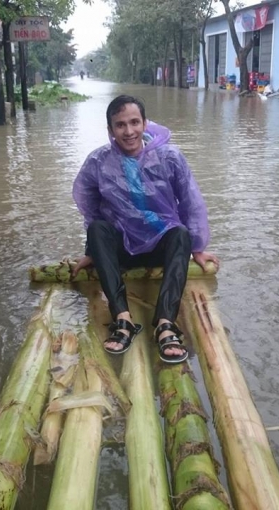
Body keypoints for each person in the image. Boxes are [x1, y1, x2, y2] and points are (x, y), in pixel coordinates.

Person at [72, 95, 219, 364]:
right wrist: (92, 251)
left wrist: (197, 247)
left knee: (181, 233)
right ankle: (123, 319)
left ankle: (165, 324)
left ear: (145, 123)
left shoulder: (170, 157)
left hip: (159, 245)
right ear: (110, 130)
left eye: (134, 122)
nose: (128, 131)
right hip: (123, 247)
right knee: (97, 228)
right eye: (120, 125)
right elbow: (89, 207)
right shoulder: (98, 162)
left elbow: (190, 202)